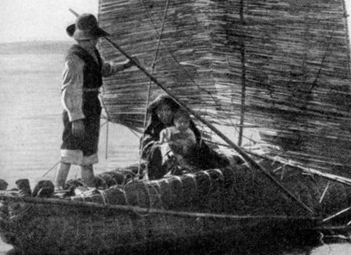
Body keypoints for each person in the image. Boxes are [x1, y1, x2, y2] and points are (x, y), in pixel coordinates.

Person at [55, 13, 133, 191]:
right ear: (81, 39)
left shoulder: (93, 52)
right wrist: (75, 118)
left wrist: (124, 65)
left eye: (95, 38)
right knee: (69, 152)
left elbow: (103, 70)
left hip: (92, 106)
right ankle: (58, 188)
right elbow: (68, 89)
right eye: (91, 39)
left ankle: (90, 190)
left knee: (88, 154)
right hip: (78, 106)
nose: (95, 42)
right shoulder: (74, 57)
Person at [141, 93, 227, 179]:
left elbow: (197, 143)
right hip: (162, 165)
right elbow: (146, 147)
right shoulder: (153, 126)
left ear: (173, 111)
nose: (164, 114)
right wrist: (161, 146)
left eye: (167, 110)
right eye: (160, 110)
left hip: (189, 161)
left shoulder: (183, 123)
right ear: (156, 112)